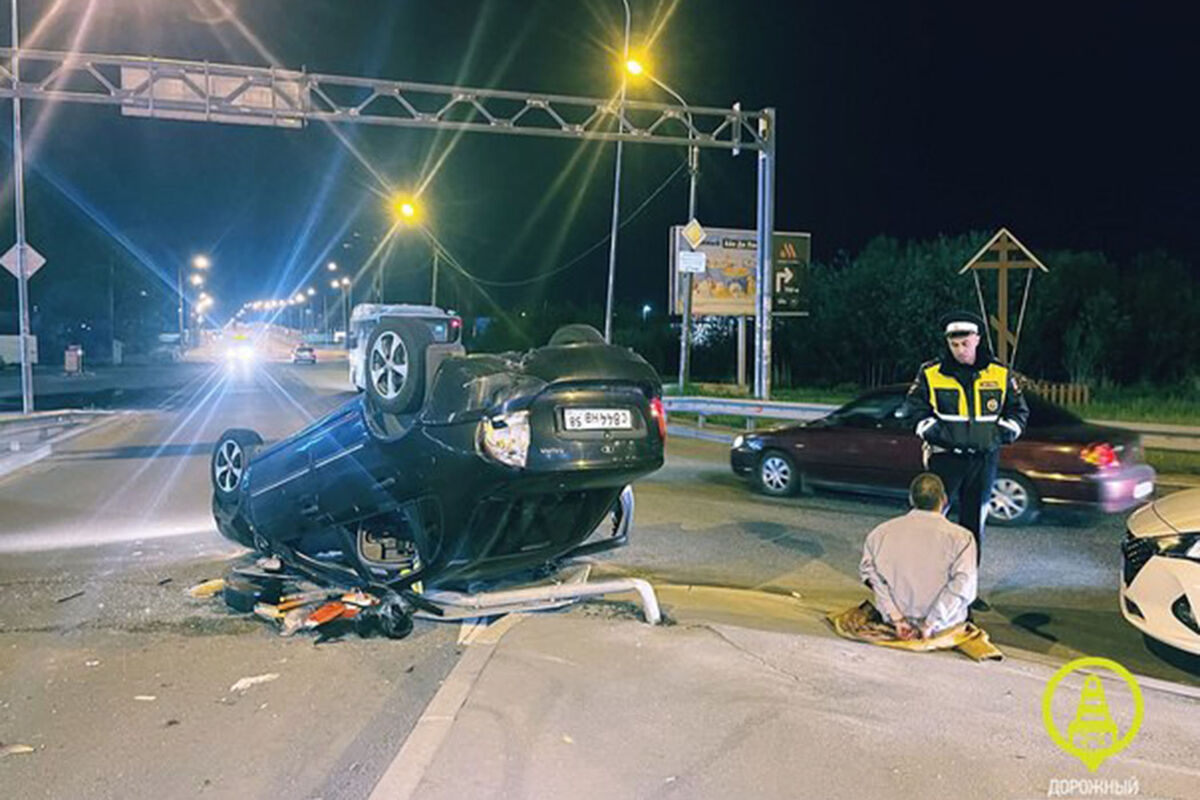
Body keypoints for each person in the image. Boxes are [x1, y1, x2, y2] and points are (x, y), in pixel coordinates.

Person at [904, 310, 1029, 612]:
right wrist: (940, 436)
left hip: (984, 463)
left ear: (977, 339)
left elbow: (1018, 413)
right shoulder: (930, 373)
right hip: (945, 462)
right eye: (954, 344)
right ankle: (928, 587)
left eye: (965, 343)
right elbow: (914, 411)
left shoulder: (1000, 374)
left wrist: (998, 437)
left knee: (973, 529)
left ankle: (966, 592)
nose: (960, 350)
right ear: (948, 342)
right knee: (932, 526)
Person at [859, 473, 978, 640]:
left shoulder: (880, 533)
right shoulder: (962, 538)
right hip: (943, 625)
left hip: (894, 621)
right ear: (943, 500)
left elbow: (872, 579)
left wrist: (897, 619)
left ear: (911, 499)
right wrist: (930, 624)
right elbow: (963, 586)